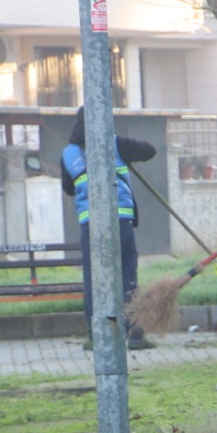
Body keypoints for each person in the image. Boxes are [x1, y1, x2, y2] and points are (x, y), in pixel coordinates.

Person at [61, 116, 156, 351]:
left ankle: (95, 336)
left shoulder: (68, 154)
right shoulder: (114, 143)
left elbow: (68, 188)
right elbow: (149, 151)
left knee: (94, 278)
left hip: (89, 224)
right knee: (126, 276)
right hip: (119, 220)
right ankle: (134, 334)